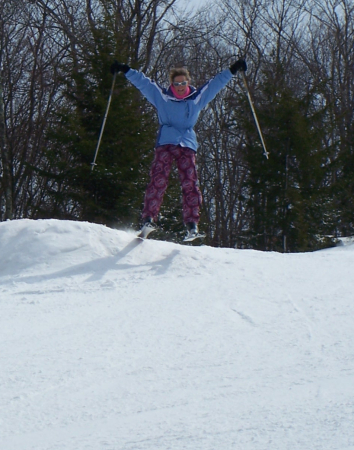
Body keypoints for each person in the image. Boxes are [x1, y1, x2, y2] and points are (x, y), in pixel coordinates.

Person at [110, 58, 247, 239]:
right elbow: (144, 83)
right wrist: (126, 70)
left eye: (183, 83)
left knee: (190, 183)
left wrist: (233, 69)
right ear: (172, 84)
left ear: (188, 83)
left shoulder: (197, 98)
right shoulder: (162, 97)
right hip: (166, 143)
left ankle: (192, 225)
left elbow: (215, 84)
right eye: (177, 83)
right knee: (158, 179)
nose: (180, 86)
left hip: (187, 144)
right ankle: (148, 219)